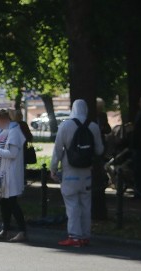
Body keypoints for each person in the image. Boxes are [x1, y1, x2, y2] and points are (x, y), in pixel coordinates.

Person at [50, 100, 105, 247]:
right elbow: (99, 150)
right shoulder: (93, 126)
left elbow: (57, 150)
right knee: (86, 205)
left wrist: (53, 169)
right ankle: (85, 236)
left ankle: (74, 236)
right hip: (86, 172)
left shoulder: (65, 125)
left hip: (70, 172)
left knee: (72, 205)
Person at [0, 109, 28, 242]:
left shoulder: (14, 132)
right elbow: (3, 146)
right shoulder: (6, 131)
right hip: (3, 173)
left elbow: (12, 153)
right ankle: (5, 230)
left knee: (12, 202)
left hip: (11, 174)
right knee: (4, 202)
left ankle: (22, 231)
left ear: (4, 120)